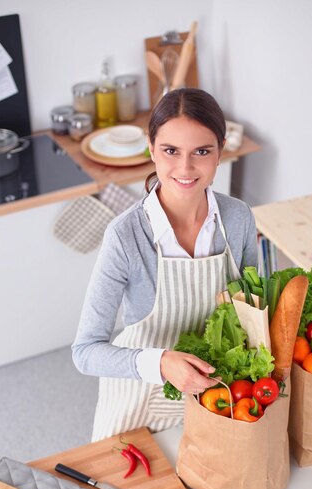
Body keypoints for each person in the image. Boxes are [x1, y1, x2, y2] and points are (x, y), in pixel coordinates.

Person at [72, 88, 258, 440]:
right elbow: (85, 352)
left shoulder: (239, 218)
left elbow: (251, 312)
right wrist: (160, 363)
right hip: (138, 404)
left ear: (220, 152)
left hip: (217, 397)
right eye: (171, 151)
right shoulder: (125, 236)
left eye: (201, 151)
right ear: (152, 148)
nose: (185, 168)